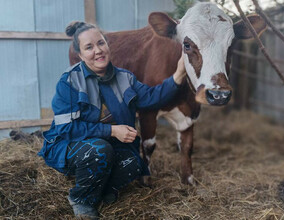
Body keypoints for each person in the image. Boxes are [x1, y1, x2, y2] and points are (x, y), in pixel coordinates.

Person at [38, 21, 186, 219]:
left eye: (101, 43)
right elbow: (67, 129)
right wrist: (113, 131)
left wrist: (178, 74)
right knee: (100, 150)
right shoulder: (69, 82)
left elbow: (151, 97)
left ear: (108, 45)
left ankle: (101, 188)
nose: (98, 51)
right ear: (80, 55)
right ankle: (81, 199)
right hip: (70, 145)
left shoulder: (125, 78)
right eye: (89, 47)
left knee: (134, 163)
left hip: (108, 147)